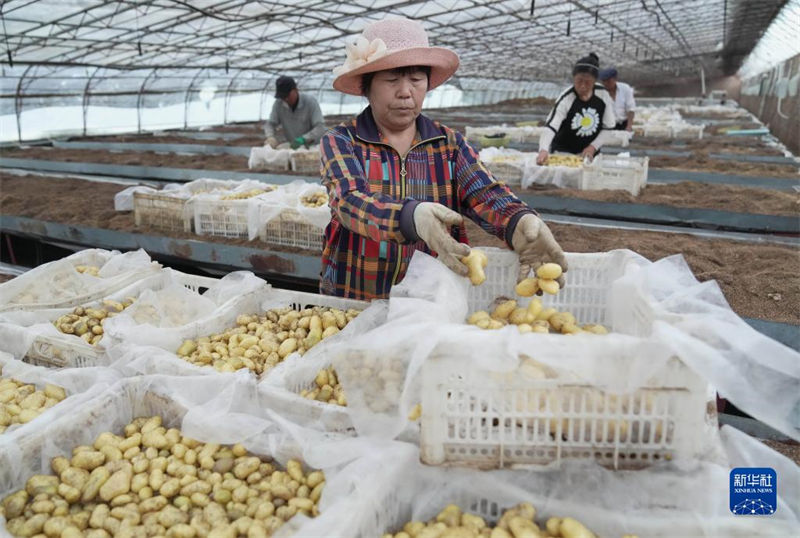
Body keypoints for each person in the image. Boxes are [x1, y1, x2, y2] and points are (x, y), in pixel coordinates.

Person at [319, 17, 567, 300]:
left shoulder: (449, 144)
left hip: (430, 300)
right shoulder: (342, 141)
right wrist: (411, 217)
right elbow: (349, 202)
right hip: (355, 295)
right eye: (391, 80)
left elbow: (486, 193)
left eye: (415, 79)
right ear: (367, 87)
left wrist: (518, 221)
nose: (405, 92)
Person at [536, 53, 616, 165]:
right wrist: (543, 149)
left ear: (594, 81)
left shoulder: (602, 94)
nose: (583, 86)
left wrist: (593, 147)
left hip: (590, 154)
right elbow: (551, 125)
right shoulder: (567, 97)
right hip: (563, 152)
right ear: (574, 78)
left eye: (587, 82)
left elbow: (608, 126)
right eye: (579, 81)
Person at [264, 76, 326, 149]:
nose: (286, 99)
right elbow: (270, 124)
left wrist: (304, 138)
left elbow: (320, 127)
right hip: (293, 147)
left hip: (312, 147)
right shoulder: (279, 104)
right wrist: (270, 137)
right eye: (283, 97)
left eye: (287, 95)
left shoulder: (310, 102)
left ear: (296, 90)